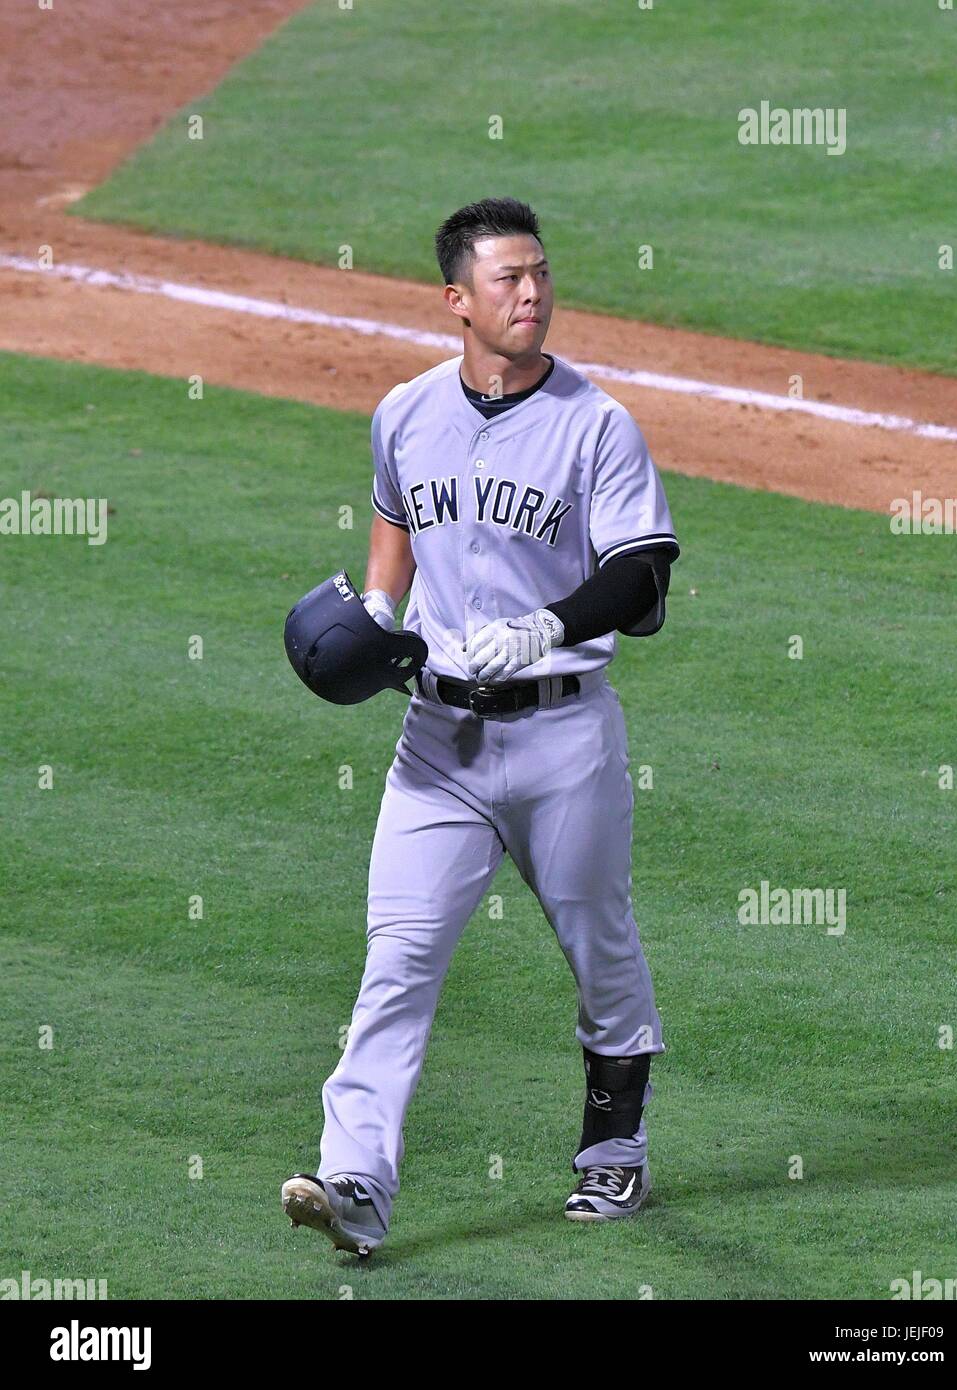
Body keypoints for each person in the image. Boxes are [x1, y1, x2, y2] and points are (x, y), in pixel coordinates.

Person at [282, 197, 680, 1256]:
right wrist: (371, 630)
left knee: (598, 950)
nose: (533, 292)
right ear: (457, 299)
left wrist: (546, 625)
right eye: (508, 278)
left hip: (563, 740)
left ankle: (613, 1152)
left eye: (541, 272)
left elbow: (642, 575)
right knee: (396, 959)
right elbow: (390, 554)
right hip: (437, 747)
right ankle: (354, 1179)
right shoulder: (405, 412)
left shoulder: (597, 424)